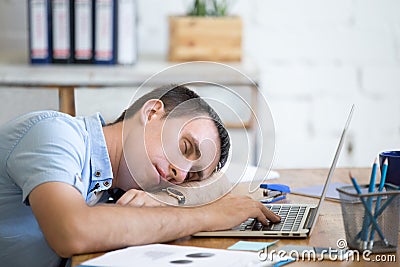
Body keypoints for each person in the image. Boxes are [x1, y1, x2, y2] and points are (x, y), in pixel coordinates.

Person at [0, 85, 280, 267]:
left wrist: (170, 197)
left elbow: (222, 181)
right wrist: (209, 216)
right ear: (152, 112)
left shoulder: (113, 187)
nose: (180, 173)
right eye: (185, 147)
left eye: (191, 176)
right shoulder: (55, 134)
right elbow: (71, 231)